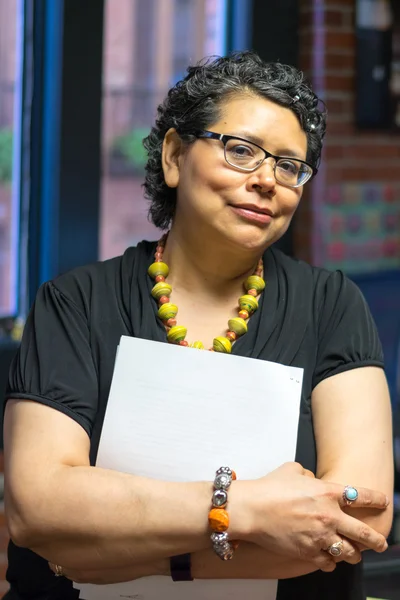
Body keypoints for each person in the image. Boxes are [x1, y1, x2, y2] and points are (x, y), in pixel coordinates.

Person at [3, 52, 393, 600]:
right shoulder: (75, 303)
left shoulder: (332, 305)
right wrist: (247, 508)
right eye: (241, 151)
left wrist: (133, 558)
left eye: (289, 166)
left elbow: (359, 525)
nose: (266, 180)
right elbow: (40, 507)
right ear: (174, 156)